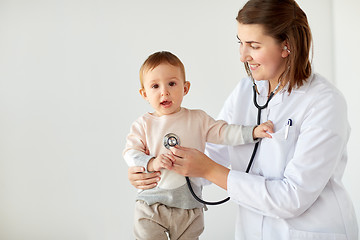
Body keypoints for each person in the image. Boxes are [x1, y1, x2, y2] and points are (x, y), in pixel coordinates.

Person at [127, 0, 359, 239]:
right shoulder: (245, 91)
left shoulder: (324, 101)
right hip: (252, 231)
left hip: (310, 231)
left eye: (254, 45)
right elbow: (210, 152)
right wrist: (150, 168)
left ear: (286, 45)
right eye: (240, 42)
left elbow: (292, 198)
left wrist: (208, 170)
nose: (242, 55)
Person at [123, 51, 274, 240]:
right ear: (144, 93)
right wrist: (151, 163)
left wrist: (252, 132)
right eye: (155, 86)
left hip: (189, 205)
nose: (164, 92)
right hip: (152, 204)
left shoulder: (198, 119)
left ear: (185, 88)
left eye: (172, 83)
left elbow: (224, 132)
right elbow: (130, 153)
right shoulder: (143, 124)